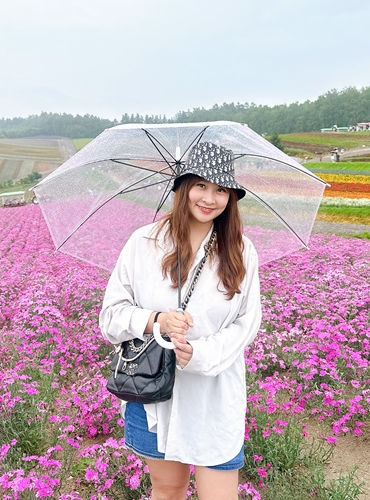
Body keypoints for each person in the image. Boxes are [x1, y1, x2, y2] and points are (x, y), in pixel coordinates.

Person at [99, 141, 261, 500]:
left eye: (221, 189)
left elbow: (247, 322)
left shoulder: (240, 249)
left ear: (231, 198)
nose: (209, 198)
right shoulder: (143, 242)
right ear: (182, 187)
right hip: (152, 391)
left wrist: (199, 353)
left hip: (213, 395)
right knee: (167, 490)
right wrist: (156, 320)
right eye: (201, 185)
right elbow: (110, 317)